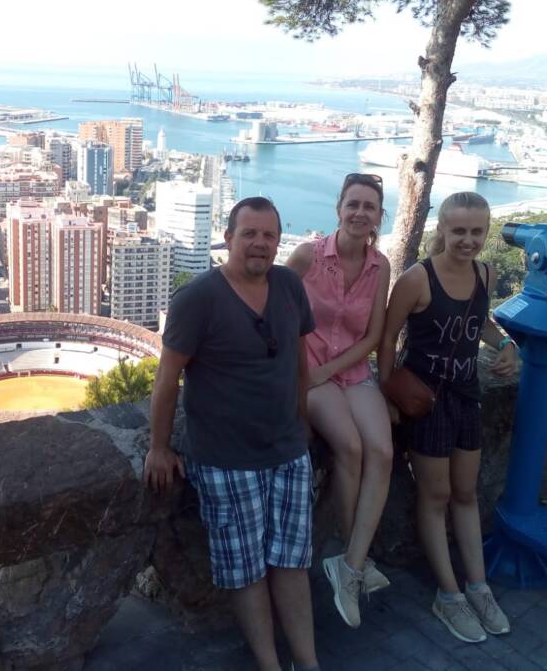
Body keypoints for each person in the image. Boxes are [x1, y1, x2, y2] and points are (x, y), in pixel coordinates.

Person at [144, 197, 320, 671]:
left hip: (287, 450)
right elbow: (167, 381)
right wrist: (159, 447)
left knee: (292, 563)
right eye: (250, 233)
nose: (260, 243)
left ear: (279, 242)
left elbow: (299, 362)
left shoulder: (288, 286)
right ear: (228, 238)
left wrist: (302, 420)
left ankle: (307, 662)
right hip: (225, 459)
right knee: (246, 573)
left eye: (269, 235)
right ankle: (269, 664)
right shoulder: (198, 298)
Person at [378, 191, 517, 644]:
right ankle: (449, 594)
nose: (468, 240)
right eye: (459, 230)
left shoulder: (485, 274)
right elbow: (388, 335)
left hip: (465, 395)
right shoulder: (419, 279)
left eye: (477, 231)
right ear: (442, 230)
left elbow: (481, 325)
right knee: (435, 496)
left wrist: (506, 346)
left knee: (465, 493)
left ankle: (478, 587)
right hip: (426, 399)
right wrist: (387, 391)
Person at [286, 172, 392, 629]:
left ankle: (348, 565)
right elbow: (274, 304)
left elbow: (373, 334)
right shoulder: (308, 255)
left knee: (383, 452)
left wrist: (334, 369)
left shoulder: (380, 266)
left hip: (349, 370)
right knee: (349, 447)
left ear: (378, 217)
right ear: (338, 208)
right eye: (353, 204)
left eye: (369, 206)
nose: (360, 213)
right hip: (308, 374)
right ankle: (355, 559)